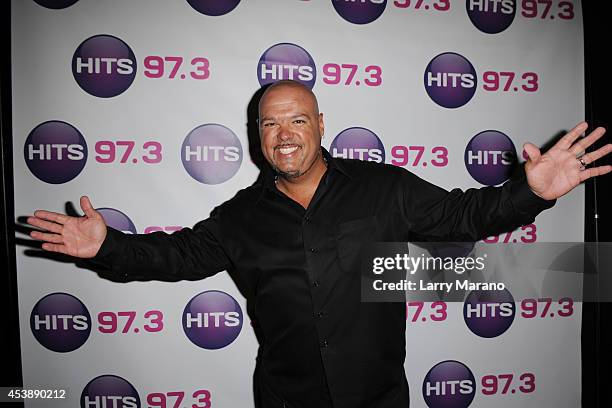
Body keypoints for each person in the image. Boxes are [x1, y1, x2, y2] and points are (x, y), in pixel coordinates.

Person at [27, 80, 611, 408]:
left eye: (297, 121)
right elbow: (174, 257)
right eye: (270, 125)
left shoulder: (383, 187)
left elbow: (463, 214)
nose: (284, 136)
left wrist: (531, 193)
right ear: (257, 138)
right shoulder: (238, 218)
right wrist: (107, 246)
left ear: (321, 123)